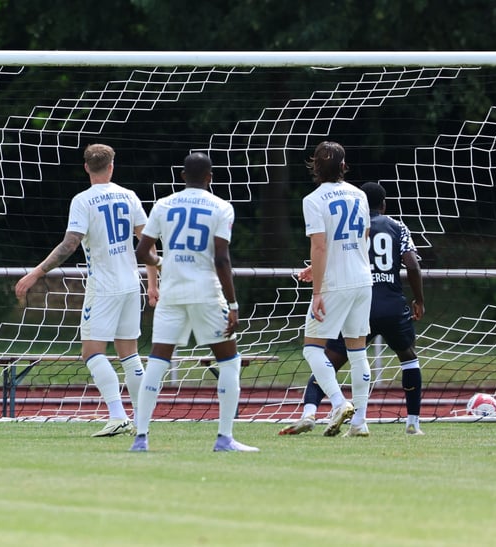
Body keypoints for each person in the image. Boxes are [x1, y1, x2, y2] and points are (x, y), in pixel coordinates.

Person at [15, 144, 157, 437]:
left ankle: (118, 416)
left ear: (86, 167)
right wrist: (153, 282)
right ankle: (142, 419)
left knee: (91, 352)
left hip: (104, 286)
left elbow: (69, 245)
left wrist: (36, 272)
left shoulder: (83, 200)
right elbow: (148, 245)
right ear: (111, 166)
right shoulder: (129, 196)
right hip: (132, 283)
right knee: (129, 354)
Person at [129, 152, 258, 453]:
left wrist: (162, 263)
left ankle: (141, 438)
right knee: (229, 361)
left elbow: (141, 252)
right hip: (206, 293)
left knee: (158, 361)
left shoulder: (163, 204)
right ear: (210, 177)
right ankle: (224, 438)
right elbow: (222, 259)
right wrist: (234, 304)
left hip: (172, 293)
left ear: (183, 176)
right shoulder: (221, 207)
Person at [280, 181, 426, 436]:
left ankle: (311, 411)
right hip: (390, 304)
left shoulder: (345, 223)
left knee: (327, 359)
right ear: (383, 204)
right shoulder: (397, 226)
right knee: (409, 359)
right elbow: (412, 264)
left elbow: (330, 249)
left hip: (357, 297)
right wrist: (419, 299)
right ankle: (412, 423)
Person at [296, 141, 373, 438]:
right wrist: (316, 268)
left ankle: (340, 403)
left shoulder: (313, 199)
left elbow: (320, 245)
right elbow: (361, 238)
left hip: (334, 284)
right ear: (344, 166)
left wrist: (317, 289)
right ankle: (360, 423)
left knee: (312, 348)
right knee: (358, 351)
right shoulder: (360, 195)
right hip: (362, 279)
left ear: (315, 166)